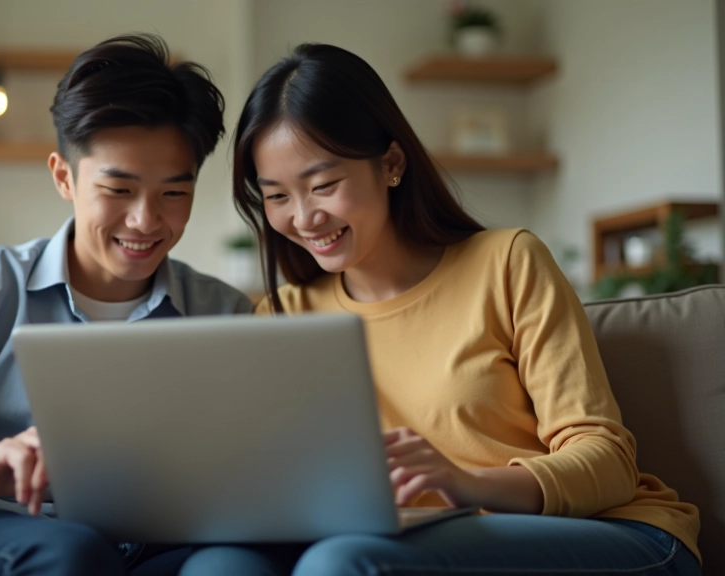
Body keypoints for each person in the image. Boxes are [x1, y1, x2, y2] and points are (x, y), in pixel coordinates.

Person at [220, 43, 702, 576]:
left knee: (344, 562)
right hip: (414, 546)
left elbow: (608, 461)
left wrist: (466, 482)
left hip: (606, 534)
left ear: (392, 164)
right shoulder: (282, 317)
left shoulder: (507, 262)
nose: (304, 217)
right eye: (277, 196)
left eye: (323, 185)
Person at [0, 34, 253, 576]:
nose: (146, 221)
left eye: (174, 193)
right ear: (64, 176)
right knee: (70, 553)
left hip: (152, 546)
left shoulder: (222, 313)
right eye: (119, 190)